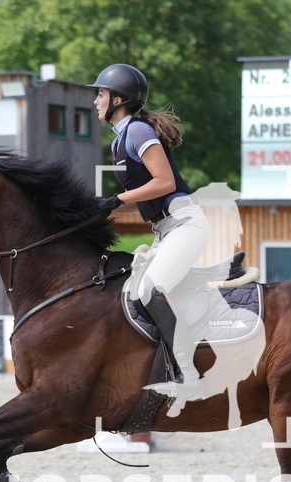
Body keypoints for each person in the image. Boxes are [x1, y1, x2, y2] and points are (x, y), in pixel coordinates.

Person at [89, 63, 209, 400]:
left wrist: (115, 200)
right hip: (166, 228)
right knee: (130, 292)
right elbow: (145, 192)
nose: (96, 100)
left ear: (119, 99)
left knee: (151, 291)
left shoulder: (138, 132)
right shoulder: (121, 140)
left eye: (100, 94)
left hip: (185, 224)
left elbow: (165, 182)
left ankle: (189, 373)